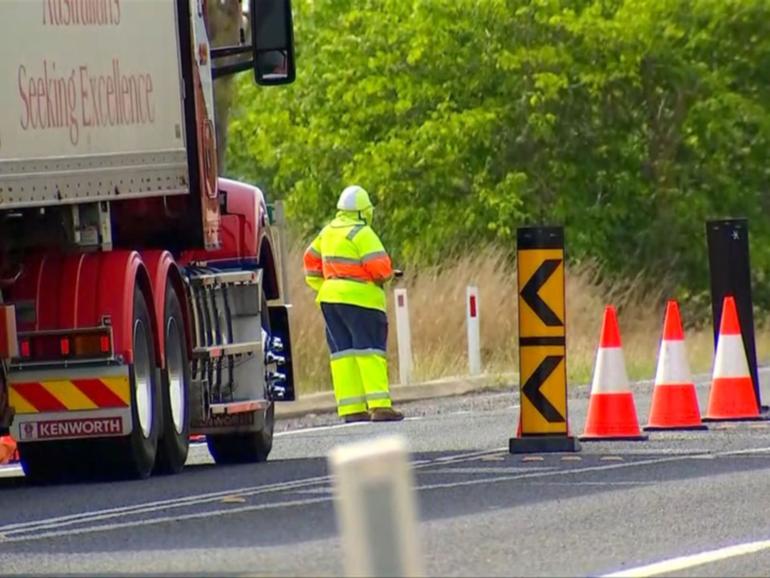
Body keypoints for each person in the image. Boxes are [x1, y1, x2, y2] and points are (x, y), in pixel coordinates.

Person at [303, 185, 404, 423]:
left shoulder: (327, 232)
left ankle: (351, 409)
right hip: (362, 301)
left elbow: (309, 262)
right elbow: (380, 269)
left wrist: (326, 286)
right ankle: (380, 406)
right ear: (362, 211)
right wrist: (390, 275)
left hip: (330, 300)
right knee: (370, 351)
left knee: (343, 354)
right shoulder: (362, 233)